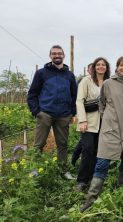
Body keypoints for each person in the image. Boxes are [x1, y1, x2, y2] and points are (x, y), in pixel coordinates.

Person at [80, 56, 123, 212]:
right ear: (116, 67)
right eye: (121, 65)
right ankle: (91, 198)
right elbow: (101, 104)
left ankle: (120, 190)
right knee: (102, 163)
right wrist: (108, 118)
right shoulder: (108, 84)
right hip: (110, 129)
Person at [27, 45, 77, 180]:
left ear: (64, 56)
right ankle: (34, 170)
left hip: (63, 115)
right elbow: (32, 94)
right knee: (39, 144)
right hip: (45, 113)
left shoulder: (70, 75)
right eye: (54, 54)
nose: (57, 56)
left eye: (59, 53)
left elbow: (74, 96)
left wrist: (72, 112)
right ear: (50, 56)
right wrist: (37, 111)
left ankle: (63, 171)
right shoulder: (42, 73)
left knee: (63, 145)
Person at [75, 57, 110, 191]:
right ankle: (82, 180)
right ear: (94, 67)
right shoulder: (86, 81)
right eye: (98, 64)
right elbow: (79, 101)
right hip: (89, 121)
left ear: (106, 68)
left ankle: (93, 178)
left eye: (103, 65)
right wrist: (82, 120)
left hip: (104, 121)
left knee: (98, 150)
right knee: (88, 149)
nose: (101, 67)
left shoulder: (108, 82)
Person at [72, 63, 94, 166]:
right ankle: (75, 158)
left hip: (96, 118)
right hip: (85, 115)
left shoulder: (100, 82)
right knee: (85, 143)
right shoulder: (83, 81)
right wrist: (80, 117)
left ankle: (80, 162)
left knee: (86, 143)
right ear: (88, 71)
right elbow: (79, 100)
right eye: (91, 69)